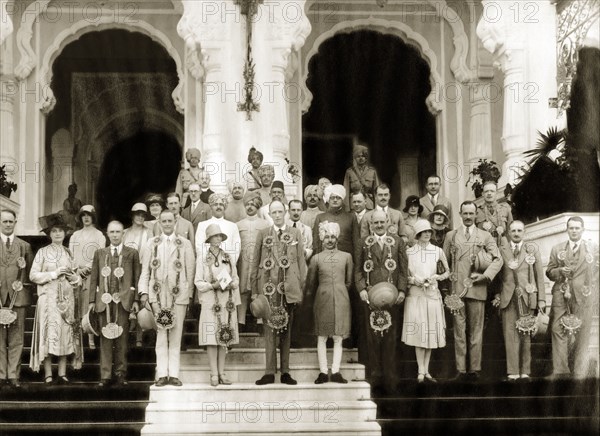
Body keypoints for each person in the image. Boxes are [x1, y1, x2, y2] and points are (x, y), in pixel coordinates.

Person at [443, 201, 503, 381]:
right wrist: (446, 288)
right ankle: (460, 369)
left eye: (471, 213)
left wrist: (485, 276)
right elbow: (443, 263)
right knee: (459, 331)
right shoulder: (451, 236)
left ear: (476, 214)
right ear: (460, 214)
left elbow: (498, 260)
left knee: (476, 331)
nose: (468, 217)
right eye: (465, 213)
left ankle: (475, 369)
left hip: (477, 289)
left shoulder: (485, 236)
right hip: (457, 291)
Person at [251, 201, 306, 385]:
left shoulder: (295, 233)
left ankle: (285, 372)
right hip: (268, 288)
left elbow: (300, 263)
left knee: (286, 330)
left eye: (280, 211)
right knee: (269, 330)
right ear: (270, 214)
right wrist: (254, 291)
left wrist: (300, 289)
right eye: (273, 212)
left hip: (288, 288)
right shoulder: (263, 234)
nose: (277, 215)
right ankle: (269, 372)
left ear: (286, 212)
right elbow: (255, 262)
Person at [138, 210, 195, 387]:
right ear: (160, 223)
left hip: (178, 295)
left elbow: (190, 270)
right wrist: (144, 292)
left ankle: (174, 374)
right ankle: (162, 373)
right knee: (161, 334)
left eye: (170, 220)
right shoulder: (151, 243)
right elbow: (145, 270)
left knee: (176, 335)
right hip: (158, 295)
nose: (168, 224)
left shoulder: (184, 243)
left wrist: (189, 293)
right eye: (164, 221)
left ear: (175, 222)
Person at [355, 210, 408, 393]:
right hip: (370, 296)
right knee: (372, 337)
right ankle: (375, 375)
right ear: (370, 225)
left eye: (381, 222)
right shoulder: (363, 243)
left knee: (391, 336)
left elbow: (403, 269)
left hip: (392, 296)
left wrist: (402, 290)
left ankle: (390, 376)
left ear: (387, 222)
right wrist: (362, 289)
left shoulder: (397, 242)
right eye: (375, 223)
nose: (378, 225)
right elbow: (357, 270)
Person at [30, 213, 83, 383]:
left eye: (61, 231)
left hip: (66, 301)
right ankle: (48, 373)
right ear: (49, 234)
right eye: (54, 231)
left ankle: (62, 372)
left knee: (64, 334)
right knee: (48, 333)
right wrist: (53, 273)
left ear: (65, 233)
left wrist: (72, 277)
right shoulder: (42, 252)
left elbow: (77, 279)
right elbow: (33, 275)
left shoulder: (68, 253)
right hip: (48, 300)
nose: (58, 234)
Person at [88, 221, 141, 386]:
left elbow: (137, 278)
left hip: (123, 302)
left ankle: (120, 373)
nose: (115, 235)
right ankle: (105, 375)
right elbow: (94, 279)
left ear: (123, 233)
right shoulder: (99, 253)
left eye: (118, 232)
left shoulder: (131, 253)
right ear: (107, 234)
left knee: (122, 339)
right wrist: (91, 301)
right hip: (104, 301)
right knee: (105, 338)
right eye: (112, 232)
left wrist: (136, 300)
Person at [546, 216, 599, 379]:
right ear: (567, 230)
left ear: (582, 230)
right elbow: (549, 271)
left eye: (577, 228)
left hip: (584, 295)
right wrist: (560, 271)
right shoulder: (557, 248)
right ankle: (561, 371)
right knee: (557, 329)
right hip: (561, 294)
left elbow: (597, 271)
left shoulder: (593, 248)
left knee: (583, 332)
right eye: (571, 228)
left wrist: (593, 289)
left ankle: (579, 371)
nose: (574, 231)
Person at [492, 220, 545, 382]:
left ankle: (525, 371)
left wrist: (541, 299)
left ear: (524, 232)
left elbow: (539, 276)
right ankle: (513, 372)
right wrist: (497, 295)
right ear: (508, 232)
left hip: (527, 297)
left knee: (526, 335)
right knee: (510, 335)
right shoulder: (502, 250)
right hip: (508, 297)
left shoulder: (532, 250)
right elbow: (497, 276)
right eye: (513, 230)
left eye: (519, 230)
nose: (516, 233)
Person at [402, 220, 449, 383]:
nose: (428, 234)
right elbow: (404, 275)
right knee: (419, 333)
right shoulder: (409, 252)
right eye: (424, 232)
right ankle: (420, 371)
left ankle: (426, 370)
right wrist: (414, 280)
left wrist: (436, 277)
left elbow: (447, 272)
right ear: (418, 235)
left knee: (430, 333)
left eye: (429, 231)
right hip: (416, 296)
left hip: (432, 296)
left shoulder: (437, 251)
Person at [306, 222, 353, 384]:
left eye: (333, 236)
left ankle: (336, 371)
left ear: (337, 238)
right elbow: (311, 284)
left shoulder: (347, 257)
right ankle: (323, 372)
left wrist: (339, 291)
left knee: (338, 336)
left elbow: (349, 281)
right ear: (321, 239)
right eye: (327, 237)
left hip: (341, 298)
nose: (330, 240)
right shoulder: (316, 259)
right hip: (322, 299)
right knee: (322, 336)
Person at [195, 224, 241, 386]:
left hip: (226, 300)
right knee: (211, 337)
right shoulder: (202, 258)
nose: (218, 239)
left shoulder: (227, 257)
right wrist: (212, 285)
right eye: (215, 236)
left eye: (220, 236)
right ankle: (213, 373)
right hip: (209, 301)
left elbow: (236, 278)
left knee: (224, 336)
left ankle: (222, 372)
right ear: (209, 239)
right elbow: (198, 282)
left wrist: (232, 284)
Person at [0, 209, 33, 388]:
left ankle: (13, 375)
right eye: (4, 221)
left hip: (17, 298)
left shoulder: (24, 246)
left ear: (15, 222)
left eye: (10, 221)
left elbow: (29, 274)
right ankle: (1, 374)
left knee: (16, 339)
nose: (7, 224)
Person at [69, 205, 107, 350]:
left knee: (90, 304)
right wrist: (77, 270)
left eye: (89, 215)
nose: (86, 218)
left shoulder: (99, 236)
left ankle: (90, 337)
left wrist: (88, 268)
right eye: (83, 215)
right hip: (77, 275)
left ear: (93, 217)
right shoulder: (75, 236)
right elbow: (70, 256)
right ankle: (77, 339)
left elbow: (100, 256)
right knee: (77, 305)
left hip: (92, 274)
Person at [236, 192, 269, 326]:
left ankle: (260, 320)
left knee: (259, 288)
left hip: (259, 262)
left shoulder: (265, 224)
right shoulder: (238, 224)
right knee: (242, 289)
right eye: (247, 204)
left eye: (252, 204)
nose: (250, 207)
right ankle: (241, 321)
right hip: (243, 262)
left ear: (257, 206)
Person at [123, 203, 153, 348]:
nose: (140, 217)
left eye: (143, 215)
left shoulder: (149, 232)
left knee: (141, 300)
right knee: (127, 300)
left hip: (143, 268)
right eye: (137, 214)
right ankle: (127, 332)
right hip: (126, 270)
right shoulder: (124, 233)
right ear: (132, 215)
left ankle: (139, 337)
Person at [312, 184, 359, 256]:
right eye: (332, 198)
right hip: (325, 259)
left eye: (338, 198)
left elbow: (356, 243)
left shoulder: (351, 217)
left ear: (342, 200)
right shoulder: (320, 217)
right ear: (328, 199)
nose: (335, 200)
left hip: (346, 258)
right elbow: (316, 243)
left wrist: (356, 265)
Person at [195, 193, 242, 265]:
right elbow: (200, 248)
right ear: (211, 207)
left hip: (227, 266)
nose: (218, 207)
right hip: (208, 265)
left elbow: (236, 249)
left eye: (221, 204)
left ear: (225, 207)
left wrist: (227, 265)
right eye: (215, 204)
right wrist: (210, 264)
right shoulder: (202, 225)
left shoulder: (233, 226)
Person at [343, 144, 380, 211]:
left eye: (363, 156)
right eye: (358, 156)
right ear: (355, 158)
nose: (361, 158)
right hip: (354, 205)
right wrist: (347, 209)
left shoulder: (372, 171)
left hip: (369, 205)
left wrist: (376, 208)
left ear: (366, 158)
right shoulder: (349, 172)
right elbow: (346, 191)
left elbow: (376, 191)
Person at [476, 181, 513, 246]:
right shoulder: (477, 211)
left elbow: (511, 231)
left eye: (492, 191)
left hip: (502, 246)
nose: (489, 193)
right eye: (486, 191)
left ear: (496, 193)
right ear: (483, 194)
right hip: (484, 248)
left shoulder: (505, 208)